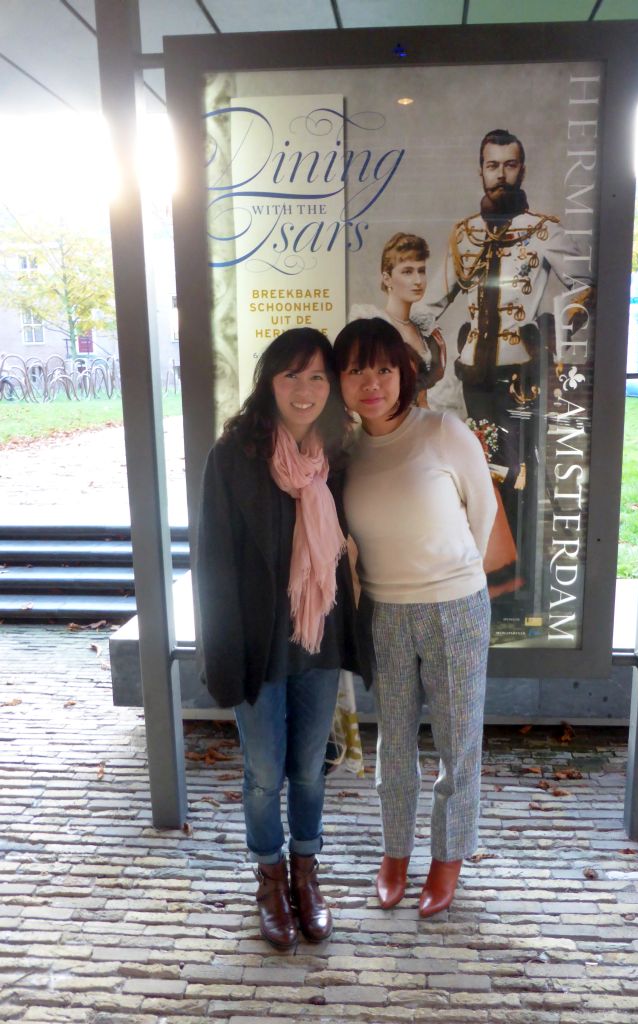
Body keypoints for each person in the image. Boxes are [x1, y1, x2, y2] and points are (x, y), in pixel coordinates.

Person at [196, 328, 357, 950]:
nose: (305, 388)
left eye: (318, 376)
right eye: (292, 375)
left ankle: (306, 875)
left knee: (312, 770)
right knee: (265, 773)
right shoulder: (233, 456)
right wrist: (222, 659)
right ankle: (269, 879)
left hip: (320, 642)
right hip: (258, 648)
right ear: (269, 381)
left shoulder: (336, 454)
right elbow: (212, 564)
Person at [334, 317, 496, 917]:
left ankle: (448, 859)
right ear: (341, 381)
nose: (371, 382)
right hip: (383, 610)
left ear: (405, 372)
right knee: (393, 742)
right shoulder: (348, 450)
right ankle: (395, 853)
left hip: (454, 608)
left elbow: (480, 516)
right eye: (355, 370)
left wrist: (450, 580)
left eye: (383, 367)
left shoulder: (444, 432)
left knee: (458, 743)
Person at [420, 129, 594, 593]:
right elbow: (433, 301)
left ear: (522, 169)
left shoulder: (544, 230)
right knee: (483, 471)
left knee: (520, 470)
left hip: (522, 372)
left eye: (509, 165)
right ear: (480, 169)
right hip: (473, 372)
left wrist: (552, 334)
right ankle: (496, 578)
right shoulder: (465, 234)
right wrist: (411, 340)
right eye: (492, 165)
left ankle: (525, 580)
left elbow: (584, 284)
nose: (500, 174)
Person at [350, 231, 446, 407]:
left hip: (424, 419)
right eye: (407, 272)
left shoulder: (423, 329)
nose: (418, 280)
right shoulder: (375, 329)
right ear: (387, 278)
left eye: (421, 271)